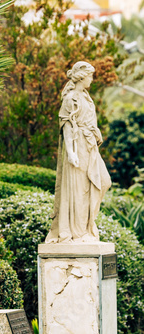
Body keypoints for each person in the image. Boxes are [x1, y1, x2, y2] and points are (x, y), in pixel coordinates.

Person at [46, 61, 111, 243]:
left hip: (90, 145)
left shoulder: (86, 97)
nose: (92, 79)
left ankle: (88, 227)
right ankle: (79, 232)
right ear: (82, 77)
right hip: (78, 144)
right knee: (79, 189)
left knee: (103, 182)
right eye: (90, 75)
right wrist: (71, 152)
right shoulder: (71, 98)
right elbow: (66, 126)